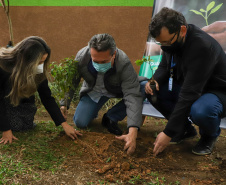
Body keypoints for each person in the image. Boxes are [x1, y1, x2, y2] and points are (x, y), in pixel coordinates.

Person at [144, 7, 226, 156]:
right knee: (151, 89)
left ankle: (209, 137)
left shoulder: (201, 47)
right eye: (161, 43)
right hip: (192, 85)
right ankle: (184, 130)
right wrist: (154, 80)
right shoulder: (172, 41)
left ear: (182, 30)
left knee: (201, 111)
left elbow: (189, 94)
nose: (165, 46)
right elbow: (164, 65)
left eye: (167, 42)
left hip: (216, 92)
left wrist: (168, 132)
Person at [60, 33, 145, 155]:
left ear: (114, 54)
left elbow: (132, 95)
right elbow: (71, 82)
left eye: (104, 61)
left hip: (116, 89)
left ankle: (111, 117)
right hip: (95, 91)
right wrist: (64, 104)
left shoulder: (123, 62)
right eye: (95, 61)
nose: (99, 65)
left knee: (142, 88)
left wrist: (133, 131)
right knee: (80, 122)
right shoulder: (82, 57)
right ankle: (93, 110)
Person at [0, 36, 82, 144]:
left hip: (19, 100)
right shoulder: (3, 65)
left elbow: (46, 97)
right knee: (13, 125)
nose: (41, 66)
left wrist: (64, 124)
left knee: (24, 125)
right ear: (27, 59)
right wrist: (6, 130)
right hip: (3, 98)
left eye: (43, 61)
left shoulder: (38, 68)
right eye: (38, 62)